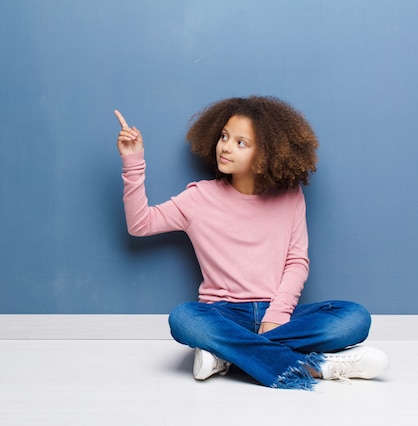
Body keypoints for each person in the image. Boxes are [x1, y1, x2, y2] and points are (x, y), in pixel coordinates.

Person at [114, 96, 388, 390]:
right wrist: (133, 161)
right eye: (224, 137)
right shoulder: (198, 198)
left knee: (354, 318)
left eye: (241, 143)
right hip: (223, 315)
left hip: (281, 313)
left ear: (265, 153)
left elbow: (297, 262)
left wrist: (277, 314)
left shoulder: (290, 196)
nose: (226, 147)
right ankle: (319, 367)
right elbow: (140, 225)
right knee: (184, 318)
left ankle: (227, 358)